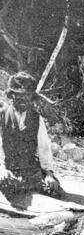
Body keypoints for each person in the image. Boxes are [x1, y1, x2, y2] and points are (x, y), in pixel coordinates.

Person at [0, 71, 61, 199]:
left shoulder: (36, 119)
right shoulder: (2, 115)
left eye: (26, 95)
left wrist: (48, 173)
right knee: (8, 186)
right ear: (12, 96)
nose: (23, 99)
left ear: (31, 97)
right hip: (6, 168)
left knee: (53, 188)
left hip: (29, 170)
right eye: (19, 95)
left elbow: (44, 148)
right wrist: (2, 169)